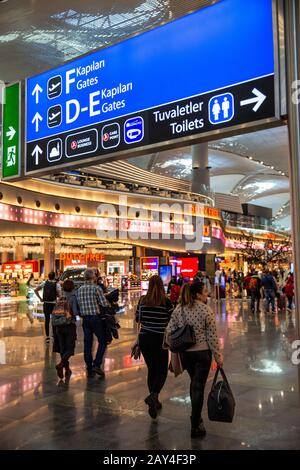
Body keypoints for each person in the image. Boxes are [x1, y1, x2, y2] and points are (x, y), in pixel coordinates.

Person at [166, 282, 223, 438]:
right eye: (205, 292)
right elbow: (212, 337)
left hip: (186, 353)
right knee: (198, 386)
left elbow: (169, 330)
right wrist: (218, 356)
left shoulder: (179, 309)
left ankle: (196, 419)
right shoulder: (206, 310)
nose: (207, 294)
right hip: (202, 353)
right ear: (198, 294)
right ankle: (195, 422)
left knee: (194, 383)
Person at [136, 275, 174, 419]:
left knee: (152, 369)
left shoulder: (143, 300)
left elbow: (138, 319)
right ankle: (154, 395)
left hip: (145, 338)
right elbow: (172, 320)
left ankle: (155, 400)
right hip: (160, 339)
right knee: (162, 370)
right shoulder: (166, 302)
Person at [76, 269, 109, 378]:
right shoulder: (96, 288)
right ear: (93, 277)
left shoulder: (79, 290)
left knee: (88, 343)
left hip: (85, 319)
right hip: (96, 319)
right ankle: (97, 363)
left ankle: (89, 365)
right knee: (103, 341)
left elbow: (78, 305)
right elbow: (104, 304)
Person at [54, 280, 79, 381]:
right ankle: (60, 365)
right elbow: (75, 312)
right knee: (70, 348)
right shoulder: (73, 297)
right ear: (73, 287)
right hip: (69, 325)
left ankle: (67, 369)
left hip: (59, 326)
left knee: (62, 348)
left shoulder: (60, 297)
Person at [35, 271, 62, 343]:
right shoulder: (57, 284)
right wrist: (58, 300)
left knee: (47, 320)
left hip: (46, 304)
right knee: (54, 320)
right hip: (53, 304)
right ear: (54, 276)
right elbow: (60, 295)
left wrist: (40, 298)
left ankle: (47, 337)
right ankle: (54, 335)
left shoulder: (44, 283)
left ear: (48, 276)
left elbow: (36, 290)